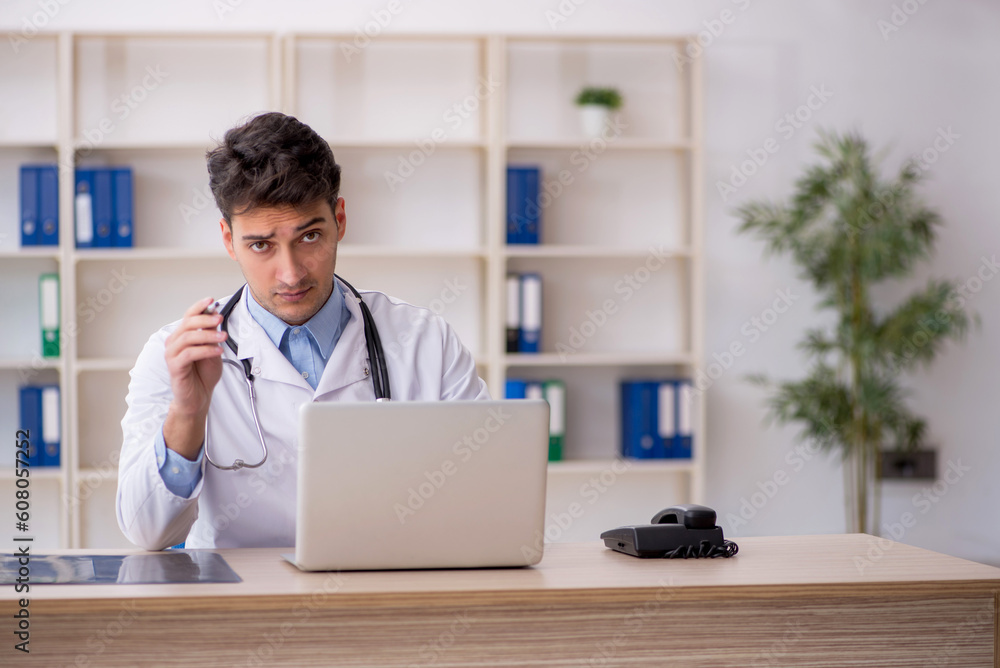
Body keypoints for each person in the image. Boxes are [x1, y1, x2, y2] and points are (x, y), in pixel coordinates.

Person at [116, 112, 489, 550]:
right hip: (243, 592)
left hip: (385, 585)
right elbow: (148, 533)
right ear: (228, 240)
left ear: (340, 220)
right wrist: (188, 412)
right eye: (261, 245)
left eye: (309, 237)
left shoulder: (426, 341)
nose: (290, 274)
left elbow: (486, 499)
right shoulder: (176, 355)